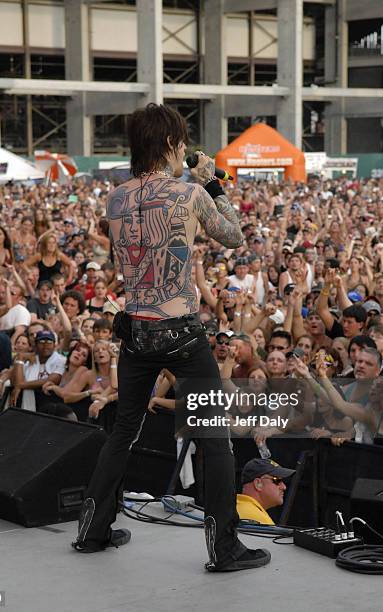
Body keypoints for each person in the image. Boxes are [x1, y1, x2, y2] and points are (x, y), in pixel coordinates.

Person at [72, 103, 271, 573]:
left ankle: (92, 529)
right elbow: (234, 236)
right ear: (168, 145)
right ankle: (224, 547)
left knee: (123, 430)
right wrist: (212, 182)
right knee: (214, 437)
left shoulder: (116, 199)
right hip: (181, 330)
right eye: (180, 144)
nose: (184, 152)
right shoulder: (188, 194)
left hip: (136, 329)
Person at [236, 458, 295, 525]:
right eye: (277, 480)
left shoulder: (235, 507)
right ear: (258, 484)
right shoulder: (257, 518)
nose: (284, 487)